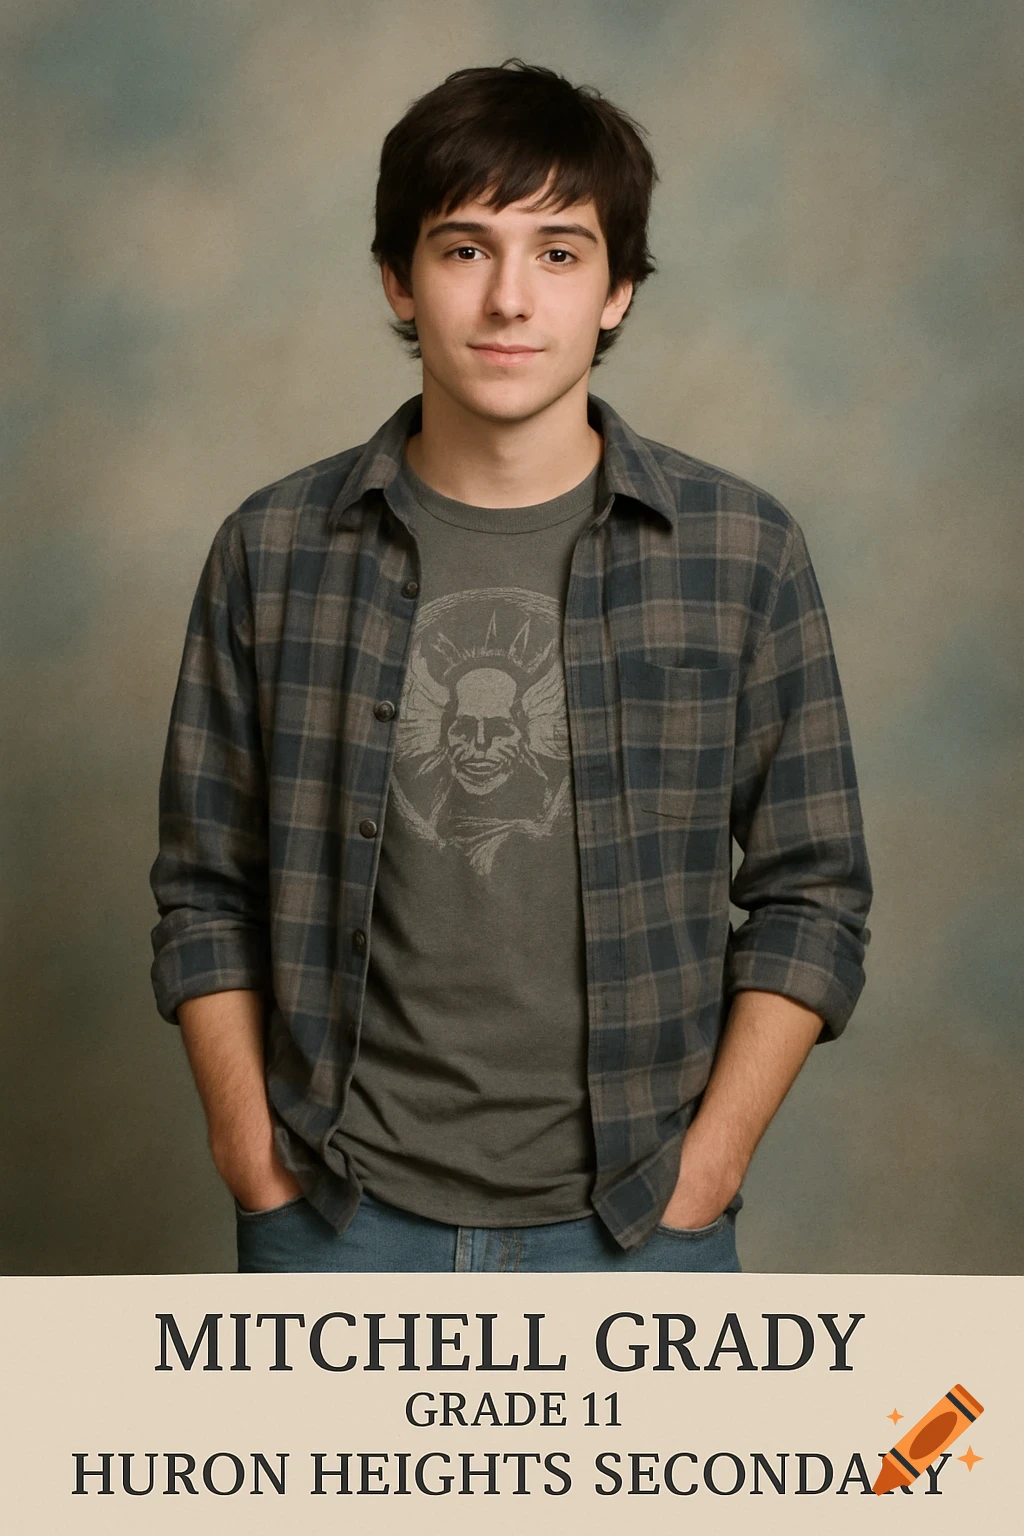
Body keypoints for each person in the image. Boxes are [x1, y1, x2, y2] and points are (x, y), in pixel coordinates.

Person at [149, 60, 872, 1275]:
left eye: (558, 252)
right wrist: (250, 1155)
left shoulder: (741, 552)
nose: (507, 299)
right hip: (335, 1213)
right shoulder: (271, 552)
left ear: (617, 289)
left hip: (641, 1220)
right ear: (398, 277)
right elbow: (206, 889)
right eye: (463, 248)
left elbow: (813, 892)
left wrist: (708, 1170)